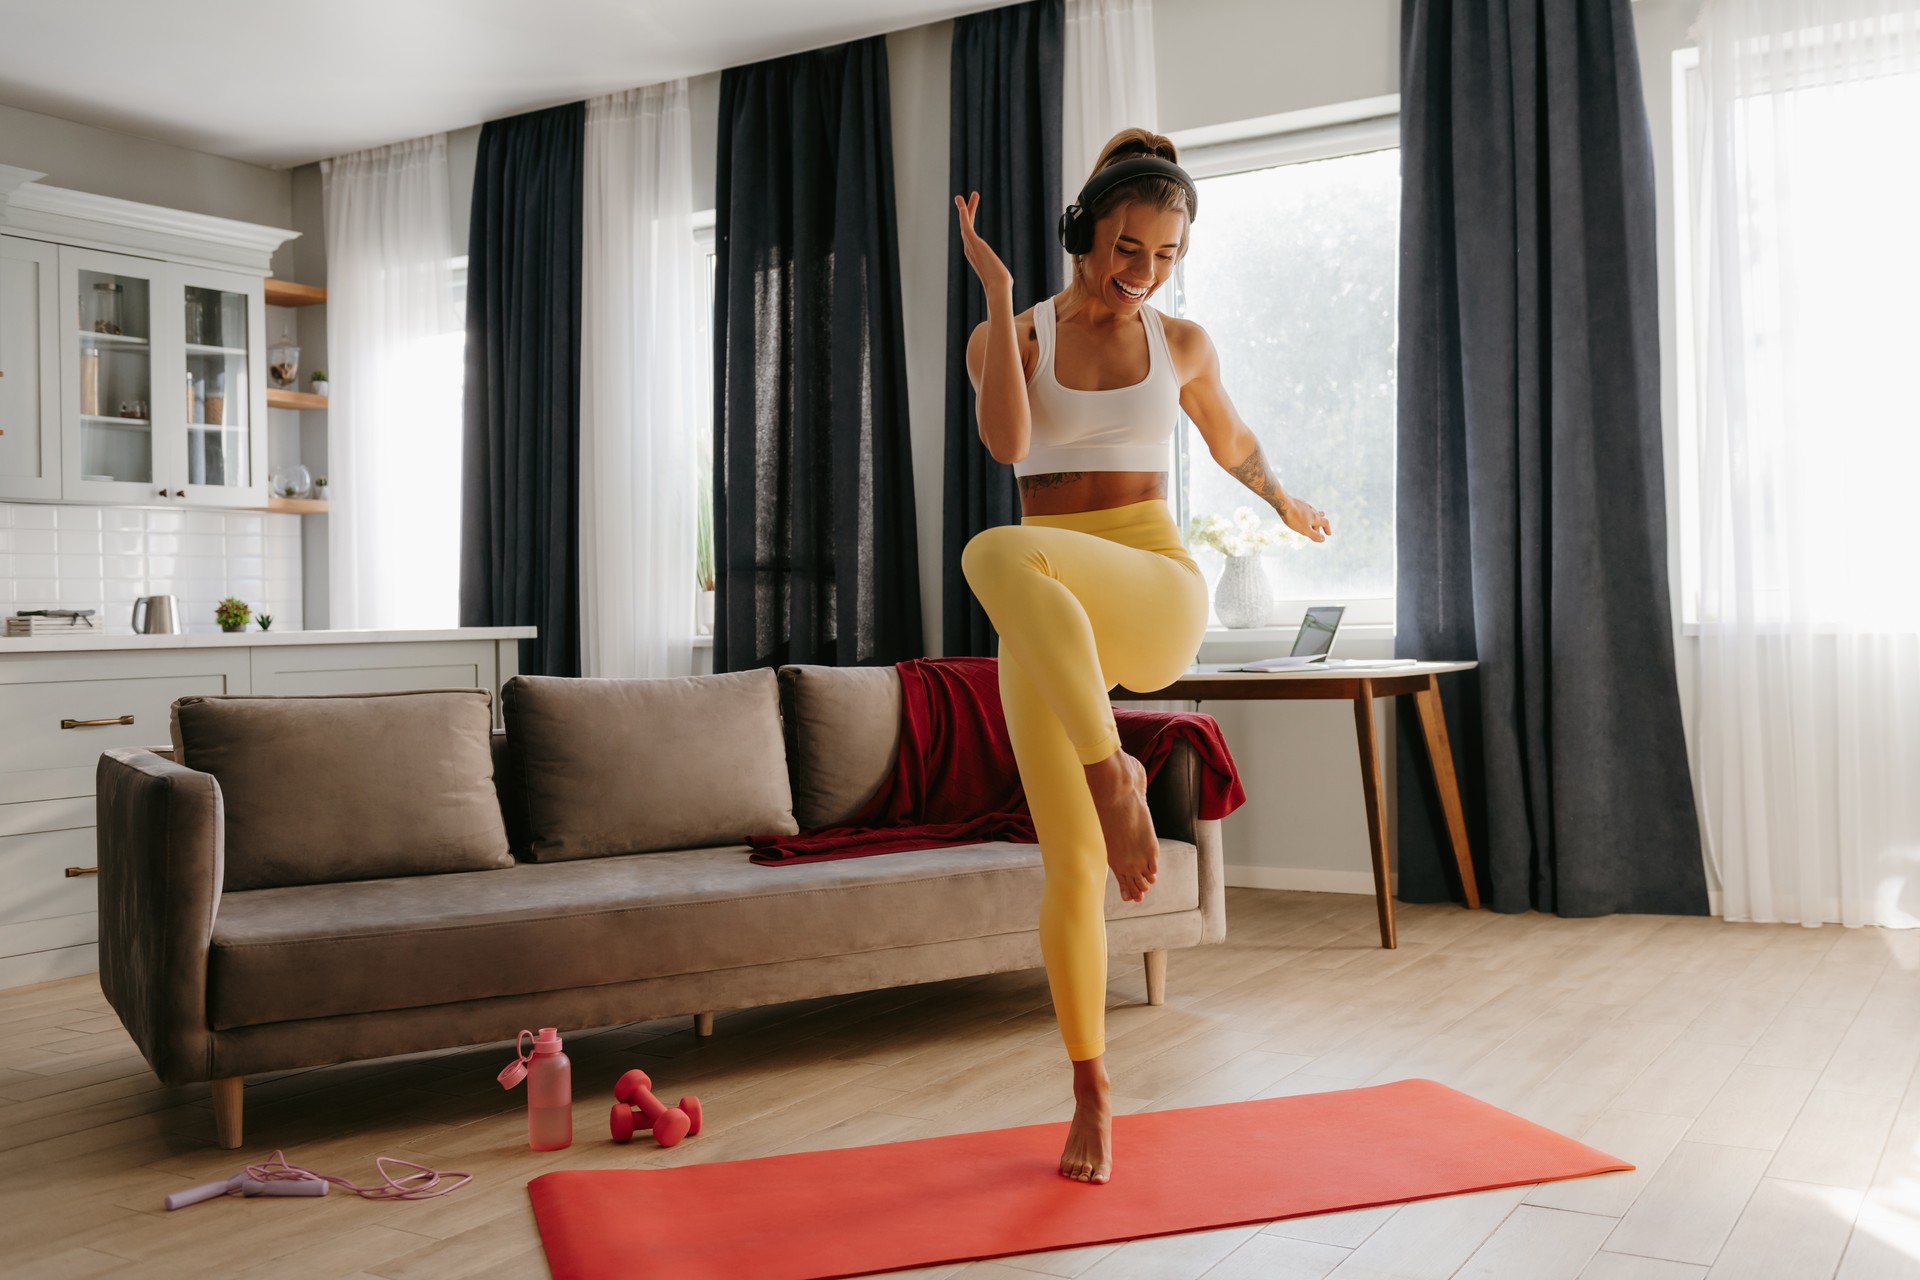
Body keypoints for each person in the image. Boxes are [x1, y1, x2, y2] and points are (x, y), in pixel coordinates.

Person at [954, 128, 1332, 1184]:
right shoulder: (1013, 335)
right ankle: (1092, 1088)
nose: (1144, 274)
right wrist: (995, 296)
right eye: (1129, 249)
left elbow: (1231, 440)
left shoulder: (1184, 343)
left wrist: (1283, 497)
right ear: (1086, 233)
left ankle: (1115, 770)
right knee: (1070, 867)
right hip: (1049, 608)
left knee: (993, 549)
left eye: (1165, 256)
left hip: (1153, 586)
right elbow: (1010, 448)